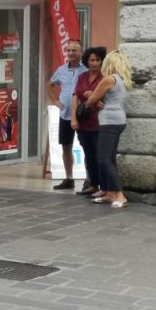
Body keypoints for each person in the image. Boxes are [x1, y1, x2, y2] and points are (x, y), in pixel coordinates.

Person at [83, 49, 131, 208]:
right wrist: (95, 97)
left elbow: (91, 101)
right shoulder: (121, 79)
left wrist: (92, 97)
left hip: (109, 121)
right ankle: (110, 193)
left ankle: (120, 195)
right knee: (109, 158)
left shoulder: (108, 79)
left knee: (103, 158)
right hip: (118, 120)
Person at [48, 39, 84, 189]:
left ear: (80, 53)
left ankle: (90, 179)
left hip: (82, 115)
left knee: (87, 147)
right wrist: (55, 100)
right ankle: (69, 178)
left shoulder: (86, 70)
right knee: (66, 147)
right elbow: (50, 85)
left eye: (74, 50)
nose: (70, 53)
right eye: (69, 50)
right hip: (64, 115)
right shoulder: (61, 70)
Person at [70, 46, 106, 197]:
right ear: (87, 61)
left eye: (97, 60)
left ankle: (104, 187)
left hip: (99, 122)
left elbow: (105, 104)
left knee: (100, 155)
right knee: (88, 154)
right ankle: (93, 184)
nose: (94, 63)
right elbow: (75, 97)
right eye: (92, 60)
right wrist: (73, 118)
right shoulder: (82, 77)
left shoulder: (105, 78)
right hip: (83, 122)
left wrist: (94, 97)